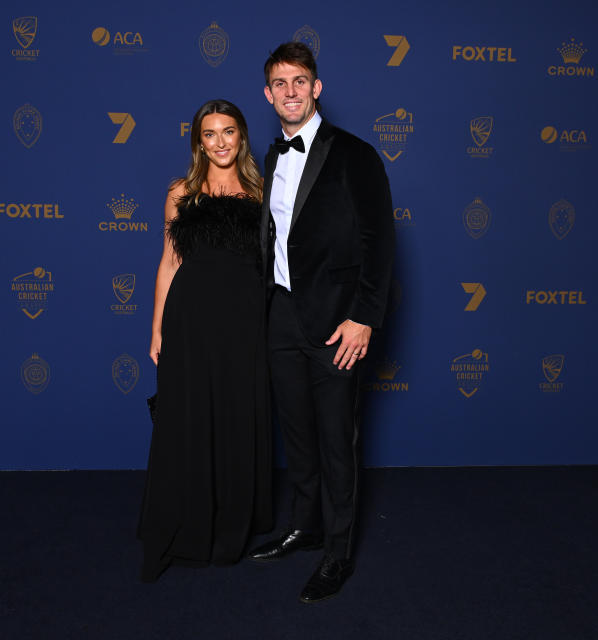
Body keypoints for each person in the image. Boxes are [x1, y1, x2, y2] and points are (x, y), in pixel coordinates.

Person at [247, 42, 395, 603]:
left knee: (337, 441)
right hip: (281, 317)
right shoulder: (269, 156)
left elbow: (379, 243)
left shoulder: (356, 154)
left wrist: (364, 318)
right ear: (268, 94)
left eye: (300, 81)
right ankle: (304, 528)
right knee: (299, 436)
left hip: (338, 323)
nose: (290, 91)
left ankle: (337, 554)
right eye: (280, 83)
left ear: (317, 88)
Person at [138, 99, 272, 583]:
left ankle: (232, 524)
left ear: (241, 137)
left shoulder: (260, 191)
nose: (219, 142)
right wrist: (156, 328)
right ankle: (188, 522)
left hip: (244, 323)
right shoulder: (181, 192)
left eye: (228, 132)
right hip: (190, 321)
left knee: (236, 415)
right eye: (209, 134)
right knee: (189, 416)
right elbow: (169, 263)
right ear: (198, 141)